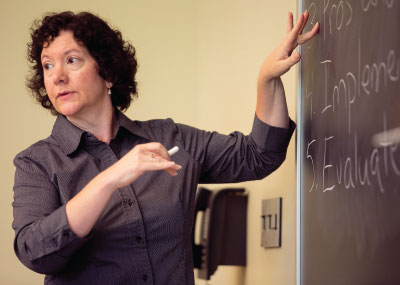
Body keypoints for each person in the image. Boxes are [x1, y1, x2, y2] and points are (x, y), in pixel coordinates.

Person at [12, 11, 318, 285]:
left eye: (72, 60)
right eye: (47, 65)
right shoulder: (37, 162)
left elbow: (258, 156)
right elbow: (35, 253)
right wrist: (109, 179)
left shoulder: (171, 138)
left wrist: (267, 79)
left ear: (107, 72)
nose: (57, 76)